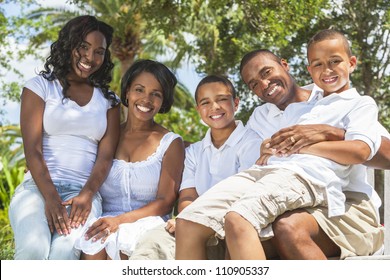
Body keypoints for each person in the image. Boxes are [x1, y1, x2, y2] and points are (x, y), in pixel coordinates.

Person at [175, 29, 388, 260]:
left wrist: (326, 134)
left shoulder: (328, 99)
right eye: (254, 84)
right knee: (194, 223)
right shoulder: (261, 116)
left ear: (284, 65)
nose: (264, 84)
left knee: (255, 222)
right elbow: (251, 155)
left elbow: (370, 151)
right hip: (273, 179)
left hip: (339, 197)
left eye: (267, 72)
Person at [8, 15, 120, 260]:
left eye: (99, 52)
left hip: (83, 195)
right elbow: (33, 150)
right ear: (69, 45)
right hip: (36, 190)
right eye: (83, 47)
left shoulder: (110, 101)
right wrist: (51, 198)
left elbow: (105, 157)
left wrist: (87, 195)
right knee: (33, 250)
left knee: (63, 254)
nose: (90, 58)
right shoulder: (40, 87)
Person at [129, 75, 261, 260]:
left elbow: (246, 194)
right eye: (205, 102)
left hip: (233, 223)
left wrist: (193, 221)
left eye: (222, 99)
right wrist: (185, 219)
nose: (214, 107)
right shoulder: (195, 151)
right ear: (198, 109)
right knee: (150, 245)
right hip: (194, 222)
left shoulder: (251, 142)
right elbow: (188, 196)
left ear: (236, 103)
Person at [74, 59, 185, 260]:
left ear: (163, 101)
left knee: (122, 241)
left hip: (148, 224)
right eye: (139, 90)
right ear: (127, 92)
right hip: (104, 220)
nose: (146, 99)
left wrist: (119, 221)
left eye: (156, 94)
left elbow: (165, 202)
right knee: (94, 241)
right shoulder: (106, 135)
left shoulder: (170, 143)